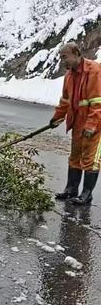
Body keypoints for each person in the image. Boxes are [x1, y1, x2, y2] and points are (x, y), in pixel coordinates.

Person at [50, 42, 101, 205]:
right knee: (75, 157)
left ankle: (86, 194)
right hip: (78, 123)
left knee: (91, 159)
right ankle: (71, 189)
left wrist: (92, 125)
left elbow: (98, 103)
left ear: (77, 54)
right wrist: (57, 117)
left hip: (96, 124)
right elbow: (65, 101)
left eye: (64, 57)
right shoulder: (69, 76)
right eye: (61, 58)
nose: (62, 61)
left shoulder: (94, 71)